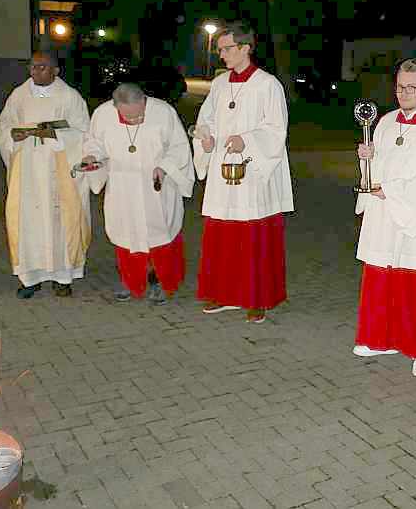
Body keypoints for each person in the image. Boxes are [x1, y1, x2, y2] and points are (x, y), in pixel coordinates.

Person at [352, 58, 416, 377]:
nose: (404, 93)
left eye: (411, 87)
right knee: (382, 279)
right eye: (399, 86)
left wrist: (392, 191)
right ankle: (379, 338)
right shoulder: (383, 122)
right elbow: (375, 172)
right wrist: (367, 161)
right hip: (385, 215)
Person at [192, 21, 293, 324]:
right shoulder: (220, 84)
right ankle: (224, 294)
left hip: (255, 171)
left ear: (245, 48)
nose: (221, 54)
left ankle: (257, 297)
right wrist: (206, 136)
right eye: (220, 49)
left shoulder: (268, 85)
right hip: (224, 169)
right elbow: (206, 118)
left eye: (226, 48)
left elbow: (276, 130)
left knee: (253, 237)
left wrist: (246, 140)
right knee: (223, 234)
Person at [81, 83, 194, 304]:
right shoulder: (102, 115)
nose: (135, 121)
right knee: (125, 232)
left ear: (144, 100)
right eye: (129, 118)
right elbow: (94, 143)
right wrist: (91, 157)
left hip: (156, 185)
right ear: (116, 108)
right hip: (123, 186)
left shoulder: (163, 112)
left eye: (140, 115)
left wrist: (164, 167)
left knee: (160, 232)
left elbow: (179, 147)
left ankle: (162, 281)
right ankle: (130, 280)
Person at [0, 51, 92, 298]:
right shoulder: (19, 95)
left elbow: (83, 132)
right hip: (26, 169)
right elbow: (4, 124)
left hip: (57, 168)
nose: (35, 71)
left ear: (56, 71)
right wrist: (12, 136)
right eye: (33, 67)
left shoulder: (70, 97)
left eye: (42, 67)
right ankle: (30, 277)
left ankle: (63, 277)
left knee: (60, 219)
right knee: (27, 220)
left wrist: (53, 134)